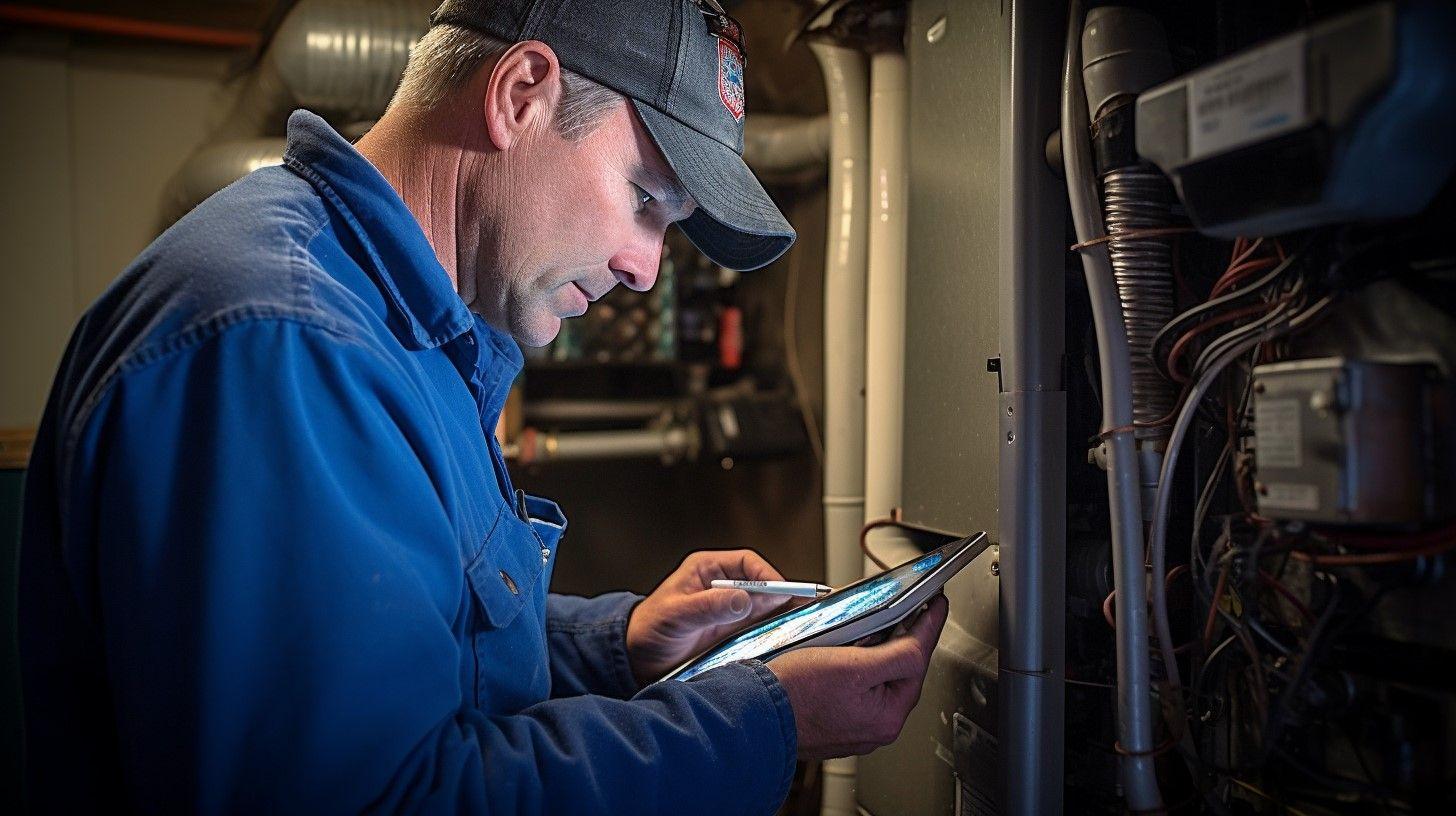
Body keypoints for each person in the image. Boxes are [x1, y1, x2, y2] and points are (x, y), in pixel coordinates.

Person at [18, 0, 949, 812]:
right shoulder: (286, 344)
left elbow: (402, 647)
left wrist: (619, 647)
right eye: (643, 199)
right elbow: (380, 798)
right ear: (520, 95)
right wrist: (763, 724)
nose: (646, 266)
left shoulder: (400, 329)